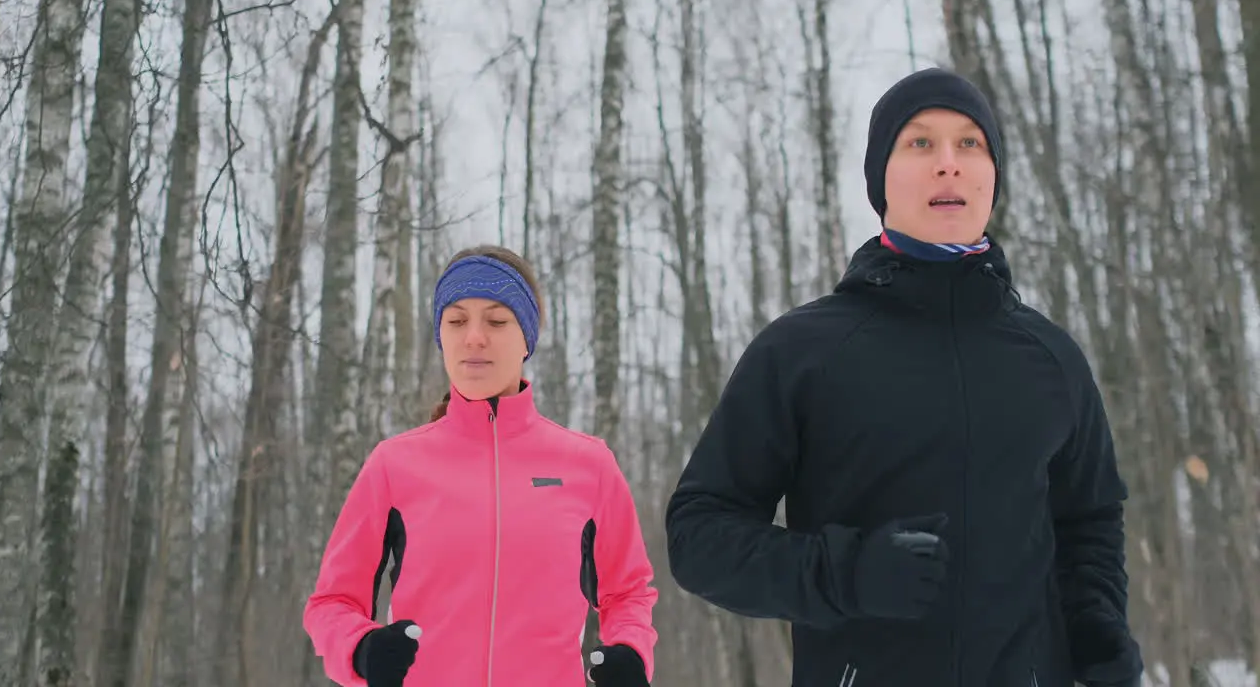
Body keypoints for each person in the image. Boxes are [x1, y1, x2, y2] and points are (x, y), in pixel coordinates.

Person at [664, 67, 1144, 687]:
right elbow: (699, 535)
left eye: (969, 143)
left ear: (991, 174)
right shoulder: (804, 350)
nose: (949, 163)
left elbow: (1090, 519)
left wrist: (1096, 625)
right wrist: (843, 573)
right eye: (919, 142)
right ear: (879, 179)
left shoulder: (1051, 357)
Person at [304, 245, 658, 687]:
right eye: (456, 321)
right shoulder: (394, 466)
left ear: (527, 337)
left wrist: (631, 653)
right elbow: (332, 602)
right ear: (441, 336)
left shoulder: (589, 465)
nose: (474, 337)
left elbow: (628, 592)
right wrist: (361, 649)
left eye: (496, 320)